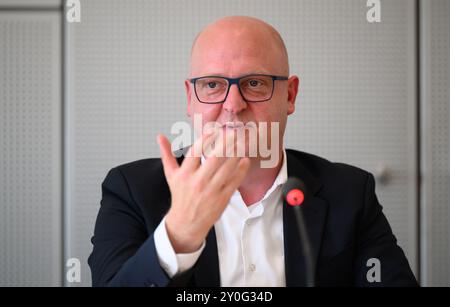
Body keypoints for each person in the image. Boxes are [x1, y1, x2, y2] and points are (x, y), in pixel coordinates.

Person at [88, 16, 418, 287]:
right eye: (213, 85)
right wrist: (177, 237)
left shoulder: (350, 192)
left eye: (255, 83)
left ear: (290, 95)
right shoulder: (130, 190)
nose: (234, 105)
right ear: (191, 98)